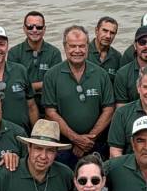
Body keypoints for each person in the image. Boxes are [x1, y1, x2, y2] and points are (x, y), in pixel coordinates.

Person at [42, 24, 116, 166]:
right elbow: (50, 112)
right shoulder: (51, 75)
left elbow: (109, 109)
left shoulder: (101, 74)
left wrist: (88, 140)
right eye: (72, 46)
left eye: (81, 46)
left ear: (88, 47)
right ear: (65, 47)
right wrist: (75, 139)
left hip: (96, 145)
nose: (77, 50)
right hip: (63, 147)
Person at [7, 10, 61, 113]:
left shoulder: (54, 53)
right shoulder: (14, 53)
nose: (34, 30)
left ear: (44, 29)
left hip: (48, 106)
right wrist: (43, 84)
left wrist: (29, 86)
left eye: (39, 27)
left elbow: (56, 84)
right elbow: (15, 86)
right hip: (22, 106)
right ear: (24, 29)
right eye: (30, 27)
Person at [89, 15, 122, 80]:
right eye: (105, 31)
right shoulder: (83, 52)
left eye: (112, 33)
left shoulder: (117, 57)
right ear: (96, 30)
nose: (108, 36)